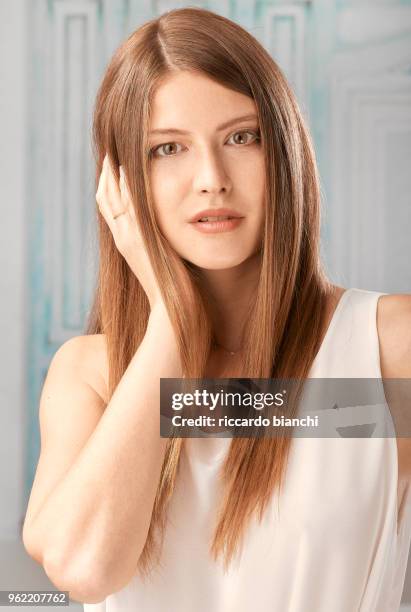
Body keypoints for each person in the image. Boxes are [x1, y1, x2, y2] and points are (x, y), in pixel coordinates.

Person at [22, 7, 411, 611]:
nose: (211, 178)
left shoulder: (389, 349)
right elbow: (84, 569)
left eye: (241, 137)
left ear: (285, 153)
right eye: (167, 148)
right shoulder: (90, 375)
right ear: (119, 183)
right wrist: (172, 327)